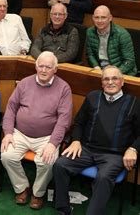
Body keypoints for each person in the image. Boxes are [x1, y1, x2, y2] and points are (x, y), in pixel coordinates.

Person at [54, 65, 140, 215]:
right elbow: (79, 122)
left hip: (115, 155)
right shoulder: (93, 97)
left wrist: (133, 148)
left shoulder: (134, 103)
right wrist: (76, 140)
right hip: (86, 149)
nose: (110, 82)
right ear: (102, 83)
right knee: (60, 165)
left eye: (115, 78)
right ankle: (64, 209)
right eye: (106, 79)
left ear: (122, 82)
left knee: (103, 177)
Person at [0, 51, 72, 210]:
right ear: (36, 66)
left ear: (55, 69)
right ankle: (22, 187)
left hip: (47, 137)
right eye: (41, 66)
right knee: (6, 155)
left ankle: (38, 193)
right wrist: (8, 133)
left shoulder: (64, 88)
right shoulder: (25, 83)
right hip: (20, 133)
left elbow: (64, 120)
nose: (44, 70)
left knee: (47, 161)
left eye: (48, 67)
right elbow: (11, 108)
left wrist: (53, 144)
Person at [86, 5, 137, 76]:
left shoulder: (122, 34)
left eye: (103, 17)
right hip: (100, 70)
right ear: (93, 18)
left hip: (122, 72)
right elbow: (90, 54)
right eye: (96, 17)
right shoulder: (90, 32)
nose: (99, 21)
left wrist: (114, 73)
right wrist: (96, 67)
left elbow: (129, 61)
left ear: (110, 18)